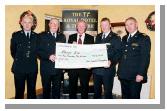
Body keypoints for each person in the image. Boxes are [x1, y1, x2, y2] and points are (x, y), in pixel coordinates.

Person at [117, 17, 151, 99]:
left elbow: (145, 57)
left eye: (131, 24)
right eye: (126, 25)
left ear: (136, 24)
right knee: (125, 97)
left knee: (134, 98)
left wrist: (141, 74)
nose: (128, 26)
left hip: (135, 76)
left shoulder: (143, 38)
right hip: (123, 74)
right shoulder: (124, 38)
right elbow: (121, 54)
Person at [10, 10, 38, 99]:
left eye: (29, 22)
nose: (27, 24)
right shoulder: (16, 35)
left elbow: (39, 51)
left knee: (32, 92)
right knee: (19, 92)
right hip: (19, 68)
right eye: (25, 22)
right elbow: (13, 52)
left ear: (32, 24)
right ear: (21, 23)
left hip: (32, 69)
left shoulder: (37, 36)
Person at [92, 17, 121, 99]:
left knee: (108, 93)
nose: (103, 27)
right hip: (96, 70)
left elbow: (118, 53)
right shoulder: (98, 36)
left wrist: (111, 61)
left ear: (110, 25)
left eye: (105, 25)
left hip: (108, 71)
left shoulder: (116, 37)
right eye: (102, 25)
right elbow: (94, 52)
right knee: (96, 92)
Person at [38, 18, 66, 99]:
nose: (54, 25)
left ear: (58, 26)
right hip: (46, 68)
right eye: (52, 23)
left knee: (57, 90)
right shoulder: (42, 36)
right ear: (49, 24)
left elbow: (64, 51)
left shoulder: (62, 36)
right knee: (46, 90)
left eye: (56, 24)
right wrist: (48, 56)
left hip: (58, 69)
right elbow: (38, 51)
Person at [68, 20, 94, 99]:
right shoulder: (71, 37)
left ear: (85, 27)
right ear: (76, 27)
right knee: (72, 86)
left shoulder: (90, 38)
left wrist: (90, 64)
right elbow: (68, 53)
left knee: (84, 87)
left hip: (85, 68)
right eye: (79, 26)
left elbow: (92, 53)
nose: (81, 27)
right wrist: (71, 47)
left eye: (83, 26)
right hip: (73, 67)